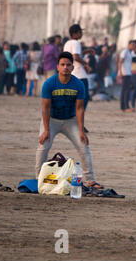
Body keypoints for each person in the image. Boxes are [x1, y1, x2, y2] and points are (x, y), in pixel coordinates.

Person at [35, 52, 103, 189]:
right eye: (62, 64)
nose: (65, 67)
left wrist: (81, 129)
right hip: (51, 119)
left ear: (72, 67)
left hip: (70, 120)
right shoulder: (49, 84)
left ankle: (90, 180)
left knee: (83, 144)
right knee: (44, 145)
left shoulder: (78, 85)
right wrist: (46, 130)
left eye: (68, 65)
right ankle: (38, 179)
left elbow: (79, 109)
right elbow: (46, 109)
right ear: (57, 67)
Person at [63, 24, 92, 114]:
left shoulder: (67, 43)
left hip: (70, 74)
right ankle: (77, 117)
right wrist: (86, 64)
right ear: (75, 33)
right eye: (80, 32)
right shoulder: (76, 43)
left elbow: (73, 55)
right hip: (79, 74)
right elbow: (75, 57)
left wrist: (85, 52)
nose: (81, 34)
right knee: (84, 97)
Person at [117, 40, 135, 112]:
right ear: (129, 45)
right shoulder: (125, 52)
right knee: (125, 91)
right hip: (125, 73)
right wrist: (120, 72)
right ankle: (124, 107)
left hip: (128, 72)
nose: (133, 46)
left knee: (127, 90)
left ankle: (126, 106)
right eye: (132, 45)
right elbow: (120, 62)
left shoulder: (130, 53)